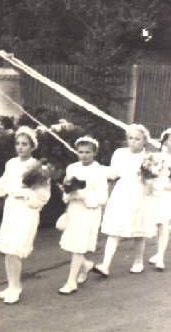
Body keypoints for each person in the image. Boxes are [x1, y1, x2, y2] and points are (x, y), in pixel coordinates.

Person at [0, 126, 51, 305]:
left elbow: (43, 196)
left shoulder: (38, 167)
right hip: (12, 210)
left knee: (16, 250)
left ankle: (16, 288)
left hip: (26, 211)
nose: (20, 147)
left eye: (24, 144)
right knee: (8, 250)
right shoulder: (11, 164)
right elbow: (3, 184)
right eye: (17, 143)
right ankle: (11, 285)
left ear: (33, 147)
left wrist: (24, 192)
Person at [94, 124, 157, 277]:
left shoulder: (149, 158)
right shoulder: (120, 153)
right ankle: (105, 265)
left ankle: (138, 261)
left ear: (144, 141)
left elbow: (152, 180)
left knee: (138, 230)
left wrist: (148, 178)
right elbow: (113, 173)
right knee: (115, 229)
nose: (133, 142)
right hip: (122, 193)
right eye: (130, 138)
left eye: (137, 139)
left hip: (140, 194)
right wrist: (99, 170)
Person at [57, 136, 109, 294]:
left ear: (94, 153)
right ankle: (85, 265)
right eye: (80, 152)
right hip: (74, 210)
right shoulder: (72, 168)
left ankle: (71, 282)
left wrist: (82, 195)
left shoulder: (99, 171)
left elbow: (102, 197)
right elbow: (66, 191)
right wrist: (68, 193)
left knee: (79, 246)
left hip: (89, 212)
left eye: (88, 152)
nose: (84, 155)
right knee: (72, 244)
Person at [149, 127, 171, 270]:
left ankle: (160, 257)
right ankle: (158, 253)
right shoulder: (156, 157)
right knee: (155, 224)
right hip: (154, 193)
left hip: (167, 194)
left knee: (164, 224)